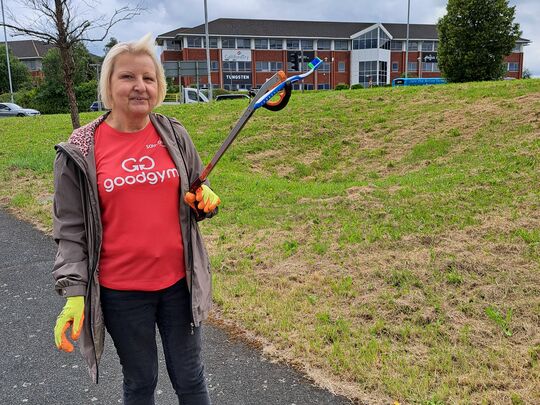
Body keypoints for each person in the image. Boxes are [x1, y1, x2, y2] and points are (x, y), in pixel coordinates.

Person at [52, 33, 220, 405]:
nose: (140, 86)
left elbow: (195, 191)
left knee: (191, 379)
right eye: (127, 77)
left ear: (159, 85)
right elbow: (70, 230)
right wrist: (75, 293)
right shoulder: (81, 150)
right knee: (141, 381)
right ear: (109, 85)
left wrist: (204, 202)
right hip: (122, 292)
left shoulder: (174, 134)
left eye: (149, 77)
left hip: (179, 282)